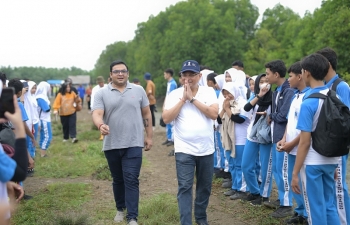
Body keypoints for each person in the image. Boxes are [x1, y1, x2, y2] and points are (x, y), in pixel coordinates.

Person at [92, 60, 153, 225]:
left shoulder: (138, 90)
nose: (120, 74)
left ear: (128, 73)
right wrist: (100, 124)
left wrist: (149, 136)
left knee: (131, 178)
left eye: (123, 71)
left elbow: (147, 114)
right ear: (110, 74)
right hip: (112, 143)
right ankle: (120, 208)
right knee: (118, 179)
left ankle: (132, 217)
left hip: (134, 143)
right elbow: (97, 113)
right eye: (116, 71)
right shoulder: (101, 93)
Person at [162, 60, 219, 225]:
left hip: (206, 149)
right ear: (180, 78)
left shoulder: (208, 92)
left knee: (205, 187)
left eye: (192, 75)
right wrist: (183, 100)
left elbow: (214, 114)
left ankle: (201, 218)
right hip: (184, 150)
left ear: (199, 76)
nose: (188, 78)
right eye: (184, 75)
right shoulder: (174, 94)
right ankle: (185, 222)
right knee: (185, 187)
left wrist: (192, 99)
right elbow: (166, 118)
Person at [291, 53, 341, 225]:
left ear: (307, 73)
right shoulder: (335, 96)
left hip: (312, 163)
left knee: (315, 209)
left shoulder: (308, 103)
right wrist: (334, 162)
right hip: (331, 160)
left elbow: (304, 142)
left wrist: (295, 172)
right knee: (330, 206)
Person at [317, 47, 350, 225]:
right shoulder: (324, 86)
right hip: (326, 145)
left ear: (327, 64)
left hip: (337, 146)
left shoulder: (341, 86)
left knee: (339, 187)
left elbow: (345, 119)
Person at [277, 61, 308, 224]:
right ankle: (300, 212)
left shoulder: (309, 96)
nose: (288, 80)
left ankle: (307, 215)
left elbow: (306, 130)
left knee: (304, 183)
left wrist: (292, 143)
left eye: (291, 76)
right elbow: (290, 122)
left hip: (301, 148)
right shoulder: (296, 95)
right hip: (291, 148)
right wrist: (284, 139)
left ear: (300, 76)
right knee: (293, 181)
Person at [264, 60, 295, 218]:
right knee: (277, 169)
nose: (266, 77)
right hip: (276, 136)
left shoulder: (289, 91)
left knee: (283, 172)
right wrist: (272, 116)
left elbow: (283, 115)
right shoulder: (277, 90)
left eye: (268, 74)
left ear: (276, 74)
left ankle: (287, 204)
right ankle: (281, 198)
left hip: (284, 137)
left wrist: (272, 116)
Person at [241, 74, 273, 206]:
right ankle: (254, 192)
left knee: (266, 168)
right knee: (246, 165)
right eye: (262, 81)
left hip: (266, 136)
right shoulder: (255, 96)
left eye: (267, 81)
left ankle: (264, 196)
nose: (265, 84)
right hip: (252, 135)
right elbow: (246, 108)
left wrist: (268, 115)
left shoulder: (274, 97)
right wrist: (259, 94)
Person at [217, 82, 250, 200]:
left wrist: (226, 108)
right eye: (224, 94)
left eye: (229, 93)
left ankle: (242, 189)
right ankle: (235, 186)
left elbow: (239, 119)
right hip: (230, 139)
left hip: (241, 139)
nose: (227, 96)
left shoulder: (241, 103)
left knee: (240, 165)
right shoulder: (227, 104)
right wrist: (223, 108)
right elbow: (219, 120)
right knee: (232, 164)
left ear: (235, 92)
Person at [35, 81, 52, 158]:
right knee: (47, 136)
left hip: (44, 119)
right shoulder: (41, 98)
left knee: (43, 136)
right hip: (44, 119)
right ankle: (43, 154)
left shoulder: (40, 96)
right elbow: (47, 109)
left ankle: (42, 152)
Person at [162, 68, 177, 147]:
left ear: (168, 74)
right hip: (167, 103)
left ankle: (172, 139)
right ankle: (168, 138)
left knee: (171, 122)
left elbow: (171, 95)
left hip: (170, 104)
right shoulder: (169, 83)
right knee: (167, 122)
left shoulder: (173, 83)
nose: (164, 76)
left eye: (165, 74)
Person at [91, 76, 107, 141]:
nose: (101, 83)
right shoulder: (95, 89)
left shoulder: (107, 87)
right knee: (101, 121)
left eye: (102, 82)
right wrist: (92, 108)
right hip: (99, 107)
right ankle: (102, 135)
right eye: (100, 82)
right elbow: (93, 99)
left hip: (107, 106)